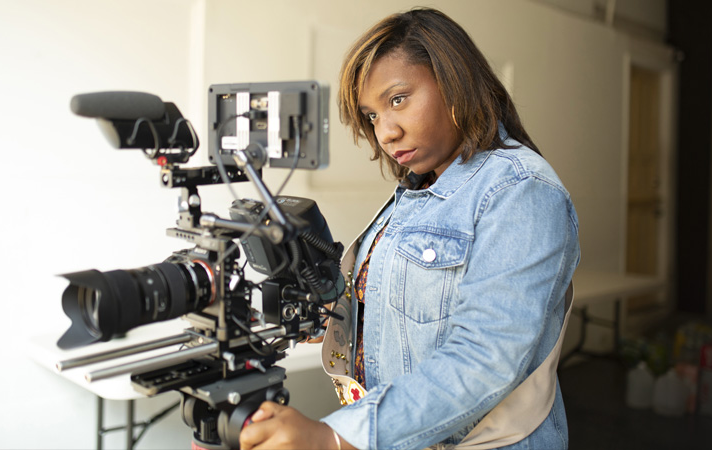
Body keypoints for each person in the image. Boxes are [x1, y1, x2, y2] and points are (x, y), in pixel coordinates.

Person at [238, 7, 578, 450]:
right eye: (372, 116)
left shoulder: (519, 190)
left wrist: (335, 437)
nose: (386, 132)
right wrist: (331, 308)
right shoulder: (419, 188)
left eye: (398, 99)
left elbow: (485, 357)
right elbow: (406, 311)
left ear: (455, 80)